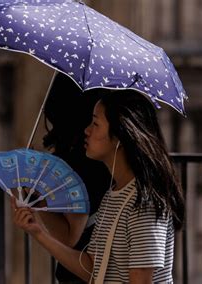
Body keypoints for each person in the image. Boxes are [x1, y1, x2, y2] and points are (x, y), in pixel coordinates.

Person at [13, 89, 185, 283]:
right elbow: (94, 268)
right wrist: (37, 231)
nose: (87, 130)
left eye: (95, 124)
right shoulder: (115, 194)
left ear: (120, 136)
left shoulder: (143, 202)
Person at [39, 73, 110, 283]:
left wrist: (36, 204)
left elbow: (69, 236)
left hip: (81, 270)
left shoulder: (79, 161)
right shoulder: (100, 157)